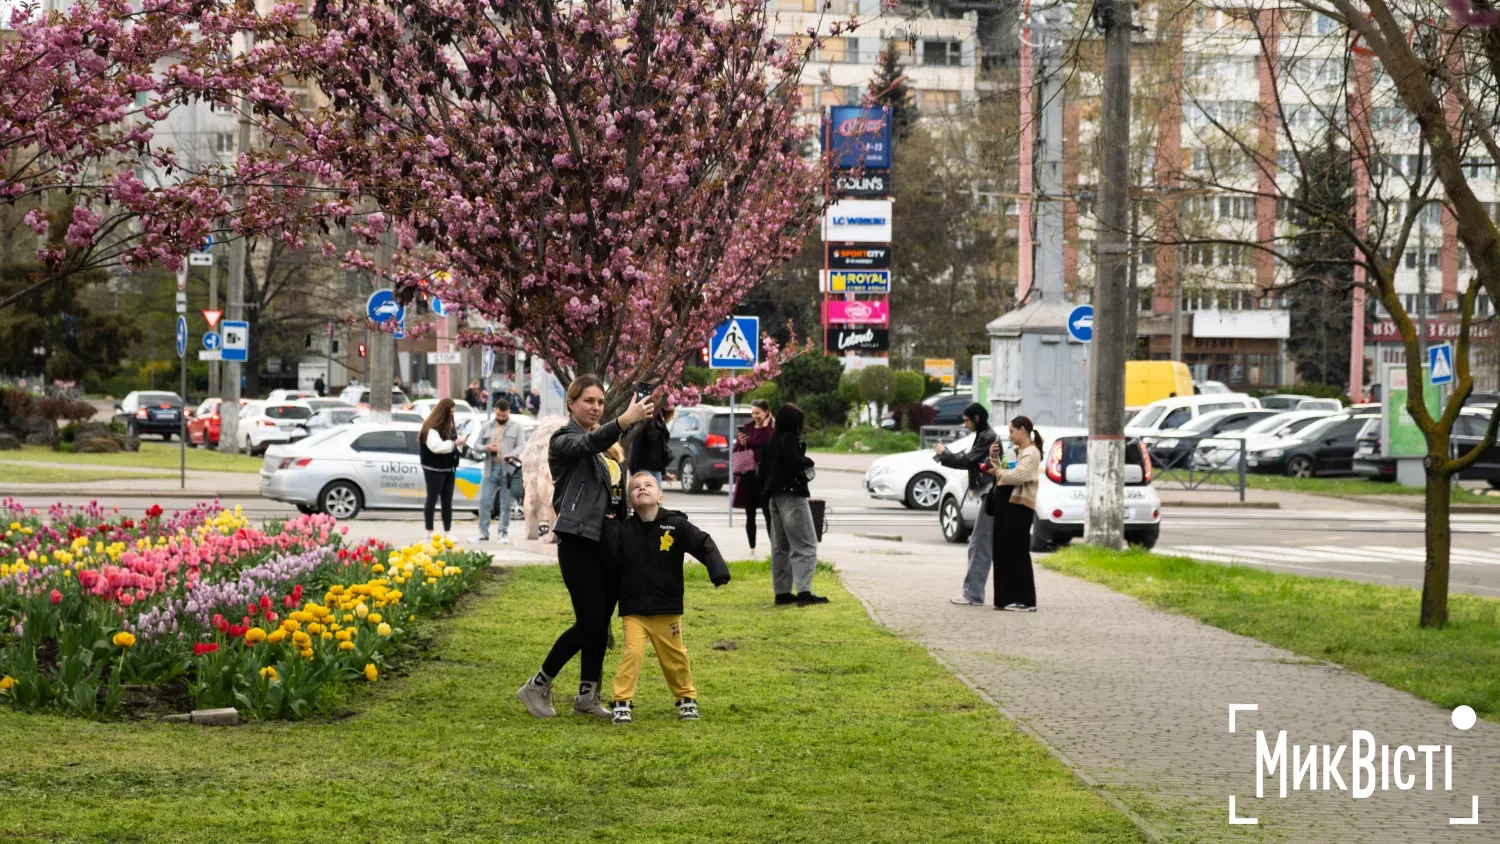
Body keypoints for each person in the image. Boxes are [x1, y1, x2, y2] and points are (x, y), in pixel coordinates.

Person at [517, 375, 654, 719]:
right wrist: (624, 420)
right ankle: (536, 685)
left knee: (600, 622)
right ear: (571, 404)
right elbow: (587, 443)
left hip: (610, 541)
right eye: (589, 401)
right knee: (590, 622)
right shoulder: (563, 440)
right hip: (579, 541)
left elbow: (615, 492)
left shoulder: (609, 449)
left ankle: (587, 695)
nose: (595, 407)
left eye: (600, 402)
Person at [607, 472, 731, 724]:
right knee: (632, 655)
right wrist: (608, 525)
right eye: (635, 488)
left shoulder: (676, 525)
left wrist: (717, 571)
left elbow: (703, 543)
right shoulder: (623, 530)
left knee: (675, 658)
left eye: (648, 485)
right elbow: (607, 560)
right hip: (634, 610)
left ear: (660, 495)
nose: (642, 489)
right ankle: (622, 702)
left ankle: (686, 698)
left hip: (667, 609)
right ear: (629, 501)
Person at [760, 403, 826, 606]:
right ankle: (804, 592)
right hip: (791, 497)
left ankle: (782, 593)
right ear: (795, 423)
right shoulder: (789, 439)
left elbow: (762, 470)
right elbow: (792, 460)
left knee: (781, 547)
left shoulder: (772, 441)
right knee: (806, 543)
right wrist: (807, 461)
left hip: (773, 498)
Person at [937, 403, 1000, 607]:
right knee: (979, 543)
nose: (965, 425)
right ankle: (974, 593)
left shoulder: (988, 437)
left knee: (978, 544)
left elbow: (968, 460)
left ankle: (973, 595)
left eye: (966, 421)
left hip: (990, 495)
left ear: (977, 419)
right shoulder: (984, 436)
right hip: (987, 494)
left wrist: (943, 453)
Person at [988, 416, 1043, 612]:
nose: (1010, 436)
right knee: (1003, 553)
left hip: (1020, 508)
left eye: (1012, 431)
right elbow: (1004, 471)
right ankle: (1005, 598)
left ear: (1022, 430)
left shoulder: (1031, 453)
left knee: (1018, 553)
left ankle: (1025, 600)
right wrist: (994, 459)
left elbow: (1019, 476)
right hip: (1008, 505)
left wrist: (997, 474)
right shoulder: (1015, 452)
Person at [470, 400, 526, 544]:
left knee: (505, 504)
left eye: (504, 415)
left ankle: (503, 533)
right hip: (490, 469)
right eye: (499, 415)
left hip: (508, 471)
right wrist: (486, 447)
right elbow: (476, 445)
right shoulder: (486, 426)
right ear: (495, 411)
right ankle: (483, 533)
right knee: (484, 501)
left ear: (508, 412)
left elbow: (521, 446)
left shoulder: (516, 427)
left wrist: (511, 454)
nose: (501, 418)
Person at [418, 398, 468, 535]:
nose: (452, 416)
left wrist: (460, 446)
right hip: (434, 468)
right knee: (432, 498)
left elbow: (452, 444)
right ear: (443, 412)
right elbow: (436, 447)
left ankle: (448, 531)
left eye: (453, 413)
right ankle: (429, 530)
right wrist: (454, 444)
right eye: (450, 413)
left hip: (449, 468)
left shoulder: (450, 427)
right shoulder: (431, 428)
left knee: (447, 500)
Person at [732, 399, 775, 551]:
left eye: (758, 413)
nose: (755, 416)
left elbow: (772, 446)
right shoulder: (746, 429)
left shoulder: (771, 430)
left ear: (766, 413)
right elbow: (736, 451)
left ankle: (774, 549)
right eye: (753, 413)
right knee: (750, 514)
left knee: (768, 514)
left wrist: (765, 427)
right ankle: (752, 548)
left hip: (765, 478)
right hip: (748, 477)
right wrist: (741, 443)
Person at [628, 404, 674, 484]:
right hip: (643, 467)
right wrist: (634, 471)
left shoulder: (659, 419)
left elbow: (660, 450)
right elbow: (635, 447)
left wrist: (664, 472)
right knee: (650, 492)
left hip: (656, 469)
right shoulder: (647, 418)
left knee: (657, 494)